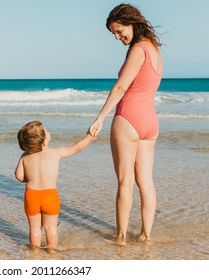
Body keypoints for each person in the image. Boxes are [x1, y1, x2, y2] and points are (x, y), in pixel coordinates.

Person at [88, 3, 163, 245]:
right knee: (146, 181)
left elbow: (121, 87)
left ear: (132, 22)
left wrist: (100, 117)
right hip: (150, 121)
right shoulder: (155, 50)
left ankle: (120, 237)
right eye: (115, 34)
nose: (119, 37)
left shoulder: (137, 50)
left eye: (120, 31)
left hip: (128, 120)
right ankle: (145, 235)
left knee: (124, 182)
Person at [15, 120, 94, 253]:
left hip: (31, 195)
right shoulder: (55, 152)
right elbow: (76, 147)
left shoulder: (25, 156)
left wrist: (29, 178)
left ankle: (35, 251)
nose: (48, 131)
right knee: (50, 227)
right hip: (49, 196)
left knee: (34, 228)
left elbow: (18, 176)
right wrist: (89, 136)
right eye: (46, 130)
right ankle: (51, 251)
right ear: (44, 140)